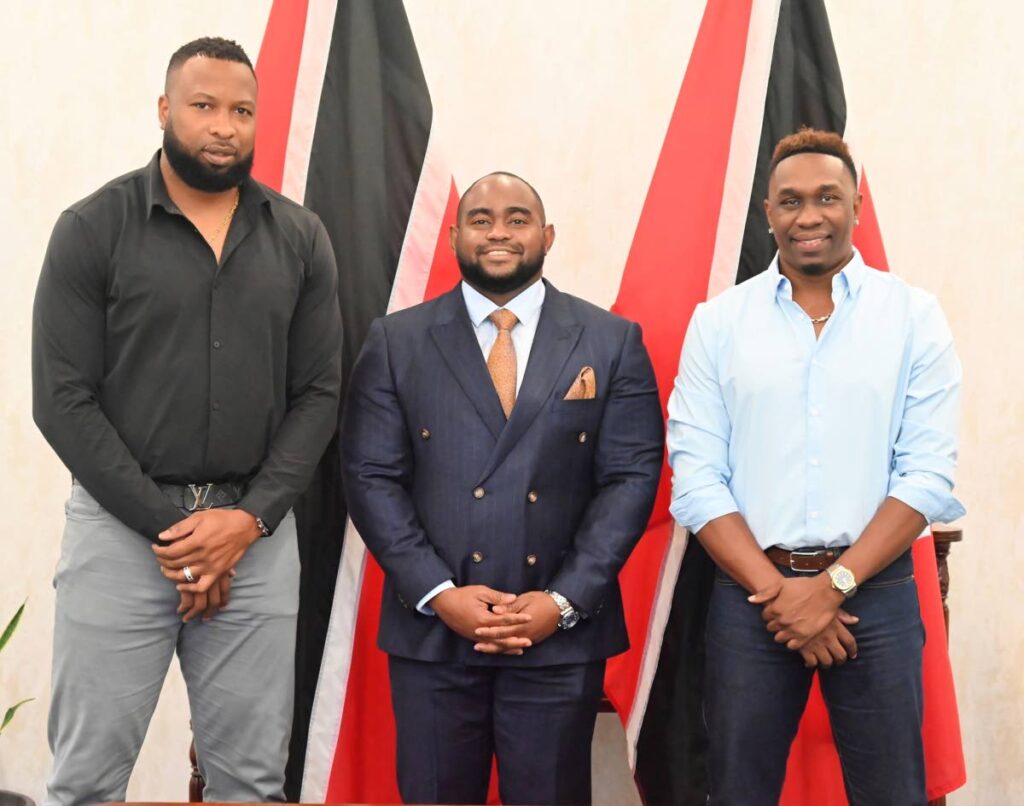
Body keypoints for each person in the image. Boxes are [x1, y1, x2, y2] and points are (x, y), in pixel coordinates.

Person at [32, 37, 342, 803]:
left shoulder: (301, 238)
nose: (224, 126)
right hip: (119, 535)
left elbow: (320, 395)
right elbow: (62, 399)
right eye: (203, 106)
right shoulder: (92, 228)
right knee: (84, 782)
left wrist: (246, 522)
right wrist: (175, 534)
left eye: (241, 110)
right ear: (165, 110)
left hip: (256, 543)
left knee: (252, 782)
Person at [340, 172, 663, 805]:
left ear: (546, 236)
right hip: (434, 630)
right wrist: (440, 594)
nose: (498, 232)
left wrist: (563, 600)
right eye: (481, 218)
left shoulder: (610, 340)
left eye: (517, 219)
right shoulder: (396, 340)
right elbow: (370, 477)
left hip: (559, 633)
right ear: (456, 235)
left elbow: (631, 478)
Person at [667, 128, 964, 805]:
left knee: (892, 791)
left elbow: (925, 475)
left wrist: (830, 587)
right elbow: (697, 477)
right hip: (752, 598)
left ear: (856, 205)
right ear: (766, 214)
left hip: (877, 595)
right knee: (738, 790)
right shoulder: (719, 323)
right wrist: (781, 594)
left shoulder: (914, 316)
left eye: (828, 197)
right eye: (790, 201)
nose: (809, 216)